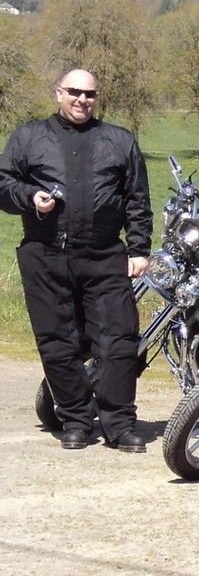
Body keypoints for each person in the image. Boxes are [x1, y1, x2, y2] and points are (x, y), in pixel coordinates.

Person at [1, 69, 152, 452]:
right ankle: (75, 420)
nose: (82, 100)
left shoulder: (119, 140)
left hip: (103, 255)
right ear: (58, 93)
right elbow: (3, 185)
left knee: (118, 340)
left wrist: (138, 249)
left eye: (90, 94)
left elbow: (137, 198)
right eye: (74, 92)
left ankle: (119, 424)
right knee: (57, 341)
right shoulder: (28, 137)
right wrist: (30, 196)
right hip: (45, 253)